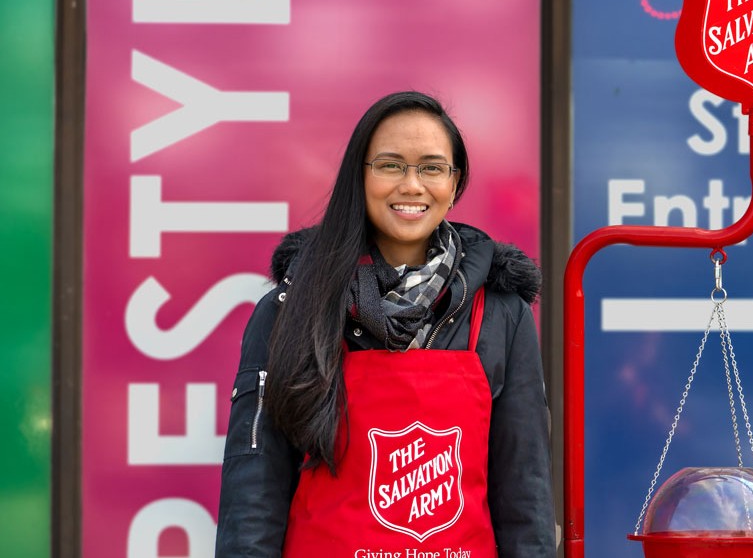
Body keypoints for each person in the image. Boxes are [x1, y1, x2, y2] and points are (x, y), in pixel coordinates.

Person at [216, 91, 555, 557]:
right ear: (360, 177)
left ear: (455, 185)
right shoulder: (288, 309)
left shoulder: (500, 314)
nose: (412, 185)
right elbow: (253, 492)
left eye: (433, 167)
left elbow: (524, 495)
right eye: (391, 165)